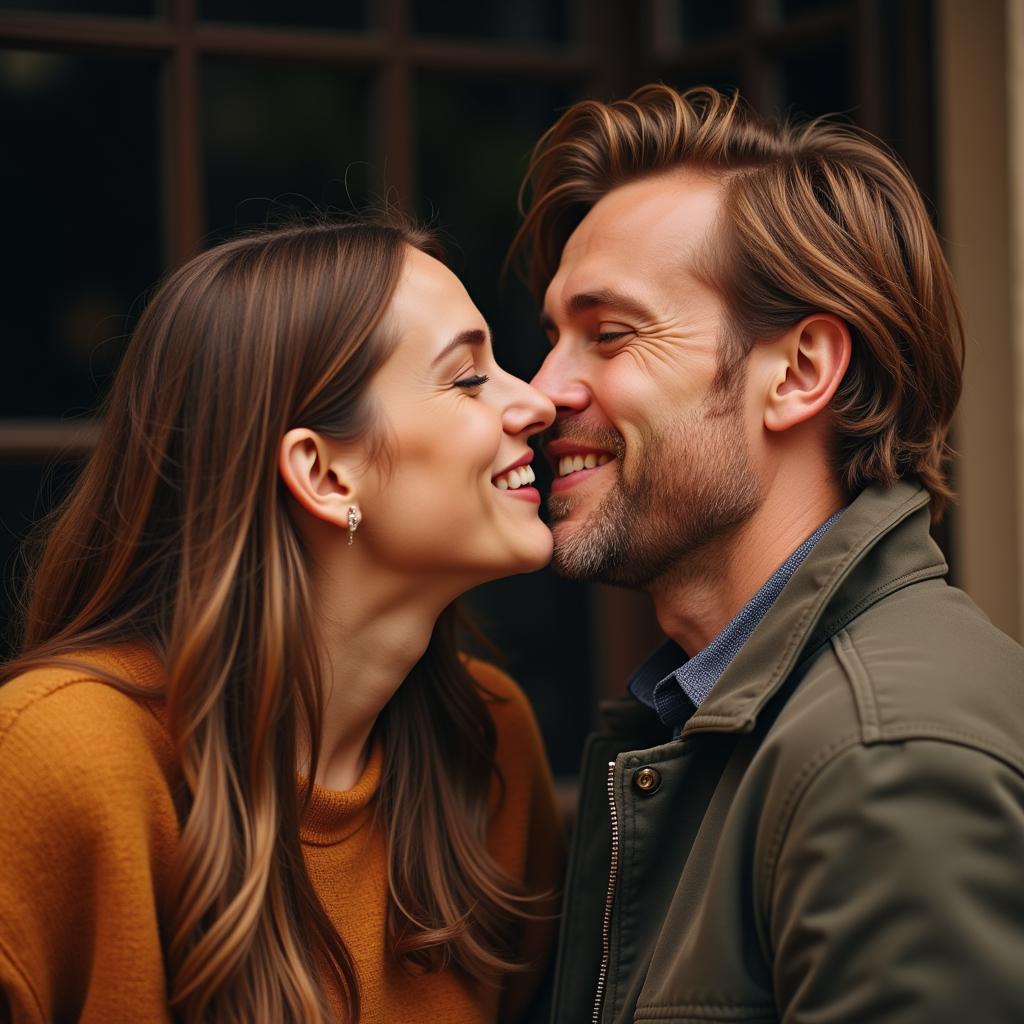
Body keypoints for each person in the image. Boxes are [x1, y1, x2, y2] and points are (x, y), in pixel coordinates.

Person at [511, 85, 1024, 1023]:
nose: (543, 392)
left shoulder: (886, 760)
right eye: (553, 338)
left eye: (610, 335)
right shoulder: (699, 717)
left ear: (797, 372)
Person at [0, 217, 565, 1024]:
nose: (536, 403)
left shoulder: (491, 744)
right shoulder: (57, 762)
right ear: (323, 473)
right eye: (468, 379)